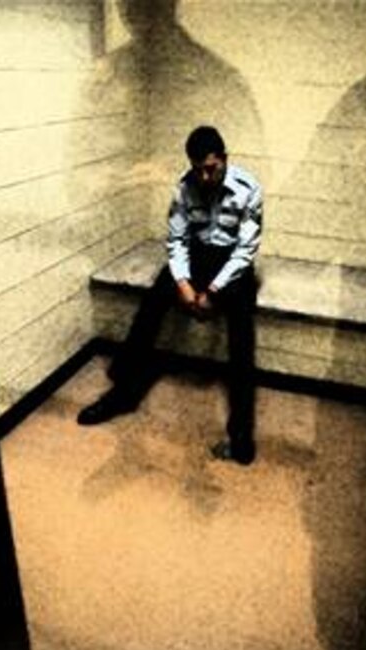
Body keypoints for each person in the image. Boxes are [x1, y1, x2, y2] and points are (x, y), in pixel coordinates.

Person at [77, 126, 262, 466]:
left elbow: (245, 252)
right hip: (196, 256)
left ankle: (241, 432)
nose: (205, 176)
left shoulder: (249, 188)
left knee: (242, 333)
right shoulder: (184, 187)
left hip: (232, 265)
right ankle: (122, 395)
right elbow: (177, 242)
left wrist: (214, 291)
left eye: (211, 168)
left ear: (224, 159)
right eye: (198, 169)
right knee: (150, 305)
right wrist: (184, 286)